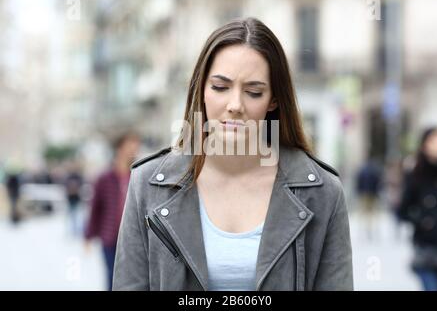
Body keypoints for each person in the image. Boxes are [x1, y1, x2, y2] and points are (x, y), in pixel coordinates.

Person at [113, 17, 353, 291]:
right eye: (220, 87)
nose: (235, 104)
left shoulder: (324, 193)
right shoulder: (147, 184)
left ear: (273, 99)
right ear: (201, 89)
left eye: (253, 91)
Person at [84, 132, 141, 291]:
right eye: (130, 146)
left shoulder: (139, 175)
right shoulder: (105, 178)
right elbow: (95, 208)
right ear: (119, 148)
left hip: (134, 239)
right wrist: (88, 236)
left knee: (134, 281)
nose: (134, 150)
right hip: (110, 238)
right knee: (112, 278)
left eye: (136, 146)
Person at [397, 127, 437, 291]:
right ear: (424, 145)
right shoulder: (416, 174)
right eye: (434, 142)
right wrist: (422, 221)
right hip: (427, 248)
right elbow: (402, 210)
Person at [355, 158, 383, 241]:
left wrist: (359, 192)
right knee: (373, 213)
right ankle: (371, 229)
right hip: (372, 194)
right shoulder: (374, 171)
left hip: (364, 194)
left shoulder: (362, 171)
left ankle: (363, 229)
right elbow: (378, 183)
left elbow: (358, 182)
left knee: (363, 213)